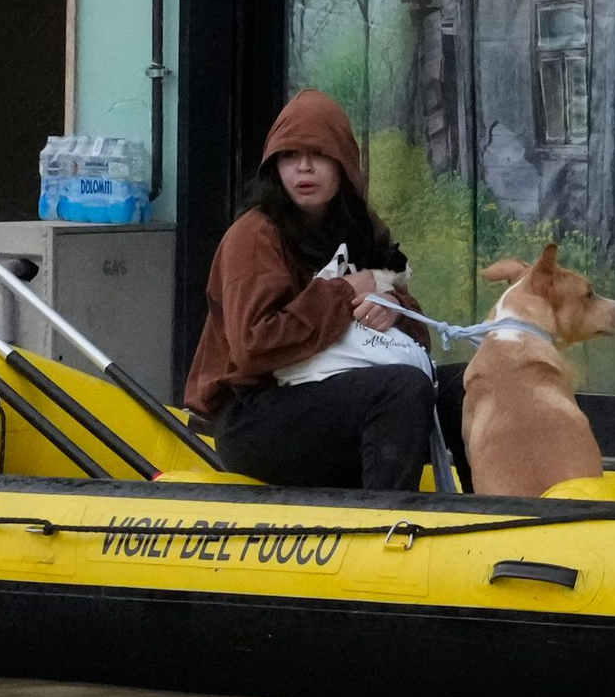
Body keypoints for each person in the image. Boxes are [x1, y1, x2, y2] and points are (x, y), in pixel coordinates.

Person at [185, 89, 471, 493]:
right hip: (256, 415)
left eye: (318, 155)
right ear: (274, 167)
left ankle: (492, 512)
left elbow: (417, 343)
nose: (303, 168)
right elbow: (254, 345)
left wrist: (392, 307)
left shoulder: (364, 228)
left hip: (346, 395)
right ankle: (386, 521)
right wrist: (341, 292)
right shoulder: (253, 234)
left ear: (343, 164)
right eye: (289, 156)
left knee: (469, 384)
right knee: (401, 390)